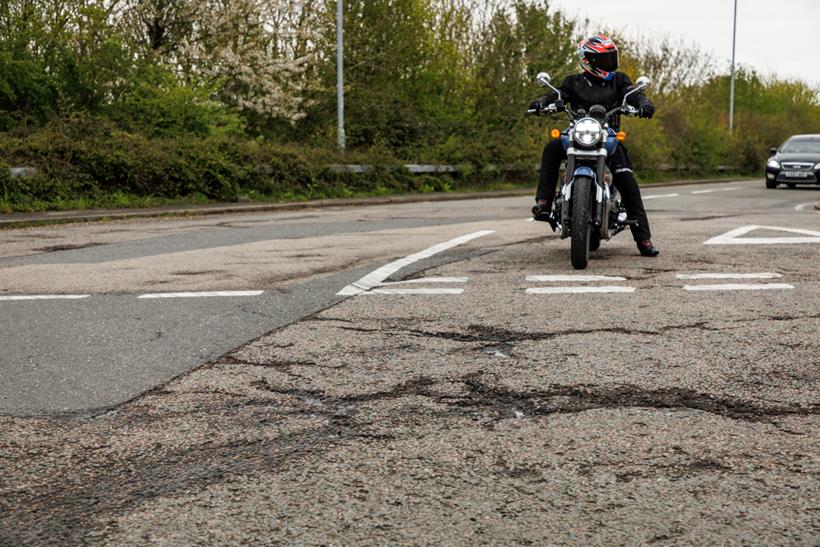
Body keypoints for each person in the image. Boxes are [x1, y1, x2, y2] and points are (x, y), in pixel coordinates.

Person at [529, 34, 659, 257]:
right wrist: (544, 102)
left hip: (607, 135)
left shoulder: (619, 80)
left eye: (611, 57)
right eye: (605, 59)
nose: (610, 63)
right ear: (588, 60)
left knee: (626, 179)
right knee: (552, 148)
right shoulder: (573, 82)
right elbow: (559, 94)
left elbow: (632, 94)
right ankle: (544, 201)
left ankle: (644, 239)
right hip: (578, 133)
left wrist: (644, 103)